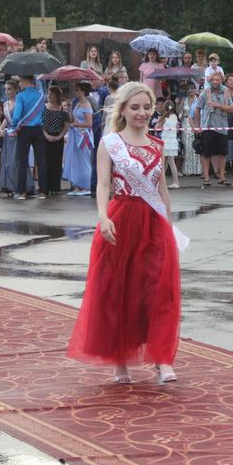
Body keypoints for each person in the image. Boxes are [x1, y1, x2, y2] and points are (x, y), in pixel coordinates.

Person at [66, 82, 180, 385]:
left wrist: (168, 226)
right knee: (118, 290)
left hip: (153, 223)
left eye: (146, 107)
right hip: (121, 219)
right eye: (135, 107)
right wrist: (103, 217)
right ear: (124, 110)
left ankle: (162, 359)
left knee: (157, 292)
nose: (141, 113)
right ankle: (120, 361)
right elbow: (102, 185)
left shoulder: (157, 145)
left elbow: (162, 191)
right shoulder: (111, 143)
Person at [11, 76, 48, 200]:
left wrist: (13, 126)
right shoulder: (41, 95)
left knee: (22, 161)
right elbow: (44, 113)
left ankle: (22, 192)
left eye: (21, 82)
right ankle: (42, 191)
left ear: (26, 82)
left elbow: (16, 116)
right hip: (38, 129)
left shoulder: (20, 96)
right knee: (41, 161)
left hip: (25, 130)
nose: (20, 84)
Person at [196, 71, 232, 186]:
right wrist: (198, 126)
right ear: (210, 81)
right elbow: (197, 109)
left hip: (222, 127)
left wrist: (218, 105)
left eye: (218, 80)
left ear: (221, 81)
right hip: (208, 127)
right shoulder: (204, 94)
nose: (216, 82)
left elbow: (231, 108)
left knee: (222, 153)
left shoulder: (225, 93)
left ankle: (222, 177)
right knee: (206, 153)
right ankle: (206, 177)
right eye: (214, 80)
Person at [63, 82, 94, 196]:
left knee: (84, 161)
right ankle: (77, 186)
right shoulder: (77, 104)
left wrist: (76, 125)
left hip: (84, 136)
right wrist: (70, 108)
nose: (75, 92)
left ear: (82, 91)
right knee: (76, 161)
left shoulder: (87, 105)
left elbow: (89, 123)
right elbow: (73, 119)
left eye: (77, 90)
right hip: (76, 134)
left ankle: (87, 186)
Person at [42, 86, 67, 195]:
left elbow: (66, 124)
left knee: (56, 163)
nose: (50, 96)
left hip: (58, 137)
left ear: (57, 96)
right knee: (45, 162)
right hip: (45, 137)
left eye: (52, 94)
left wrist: (60, 136)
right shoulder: (43, 107)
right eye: (48, 94)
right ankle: (45, 187)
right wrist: (46, 135)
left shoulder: (62, 109)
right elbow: (40, 123)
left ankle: (55, 187)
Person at [159, 99, 181, 188]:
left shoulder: (164, 118)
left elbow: (157, 126)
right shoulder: (175, 116)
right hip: (172, 141)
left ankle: (166, 183)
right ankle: (174, 182)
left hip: (165, 141)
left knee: (166, 162)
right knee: (169, 162)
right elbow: (177, 129)